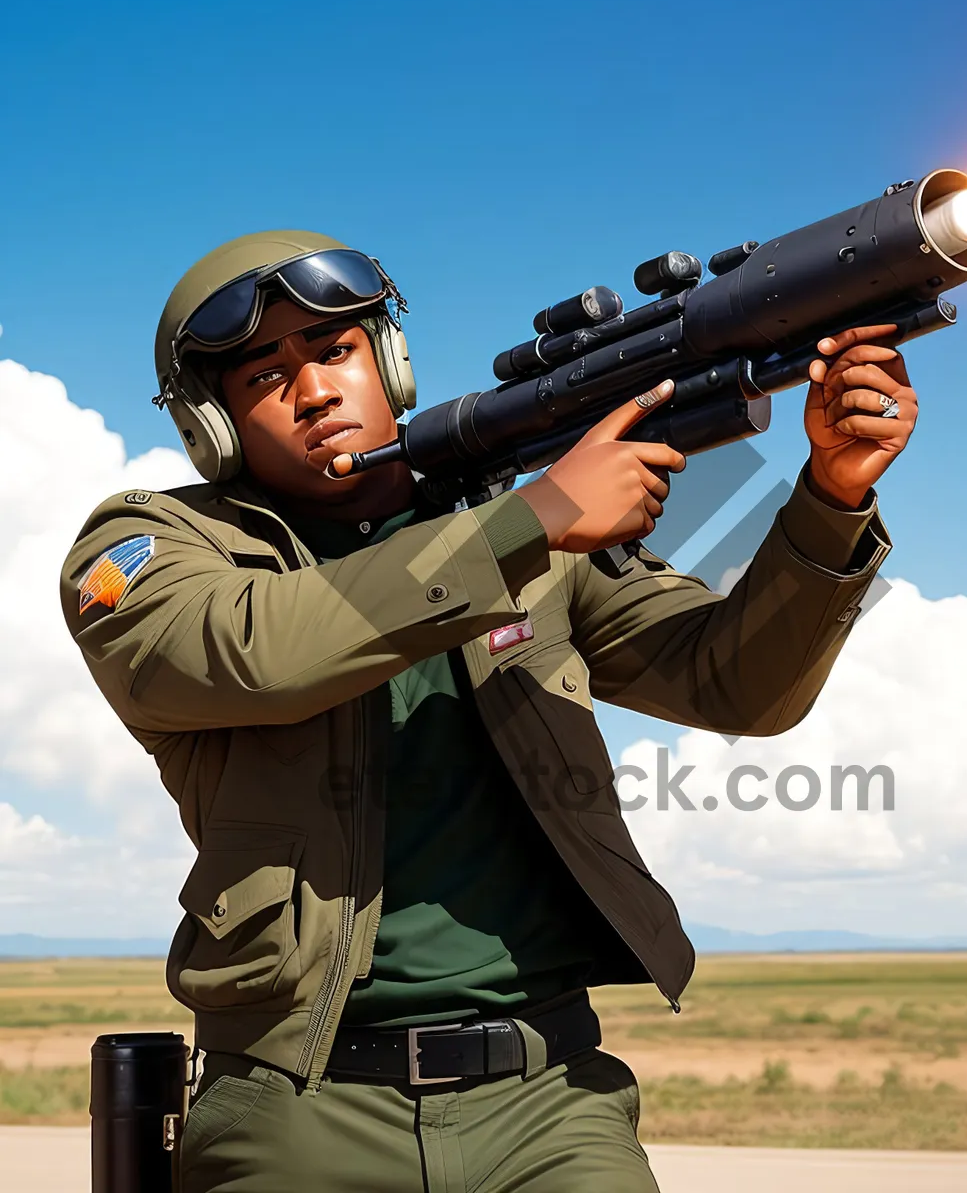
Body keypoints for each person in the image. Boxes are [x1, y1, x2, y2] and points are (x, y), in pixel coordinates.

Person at [61, 231, 917, 1192]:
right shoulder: (152, 545)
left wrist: (832, 496)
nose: (313, 391)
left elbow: (735, 684)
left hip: (548, 1101)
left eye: (335, 351)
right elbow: (247, 651)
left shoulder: (517, 529)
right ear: (211, 425)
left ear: (388, 360)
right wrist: (532, 519)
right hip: (297, 1107)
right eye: (266, 375)